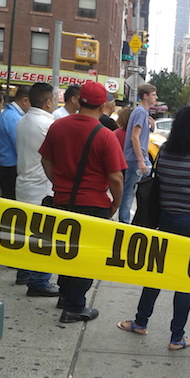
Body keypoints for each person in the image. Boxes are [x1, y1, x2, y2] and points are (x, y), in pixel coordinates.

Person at [117, 105, 190, 349]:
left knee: (157, 272)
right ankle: (177, 337)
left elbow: (161, 179)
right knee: (185, 281)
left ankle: (140, 322)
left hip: (168, 219)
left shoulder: (166, 151)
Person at [40, 81, 127, 323]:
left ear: (79, 100)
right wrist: (115, 204)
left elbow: (46, 160)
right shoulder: (105, 135)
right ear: (102, 105)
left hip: (62, 200)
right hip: (93, 203)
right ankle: (75, 306)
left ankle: (66, 296)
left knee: (67, 251)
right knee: (87, 257)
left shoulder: (57, 126)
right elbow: (116, 178)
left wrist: (58, 182)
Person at [16, 83, 59, 297]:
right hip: (42, 186)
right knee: (44, 237)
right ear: (48, 102)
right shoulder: (48, 124)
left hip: (24, 182)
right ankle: (39, 281)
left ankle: (24, 272)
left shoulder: (22, 120)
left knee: (27, 234)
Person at [118, 84, 158, 223]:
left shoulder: (141, 112)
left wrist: (151, 126)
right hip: (136, 159)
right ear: (145, 96)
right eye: (153, 95)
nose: (156, 97)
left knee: (136, 189)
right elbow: (135, 136)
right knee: (130, 191)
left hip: (137, 158)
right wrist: (141, 160)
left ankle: (129, 218)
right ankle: (124, 221)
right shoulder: (141, 112)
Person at [0, 85, 31, 200]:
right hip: (11, 169)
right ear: (25, 100)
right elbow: (20, 146)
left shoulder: (8, 114)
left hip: (7, 168)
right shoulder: (13, 118)